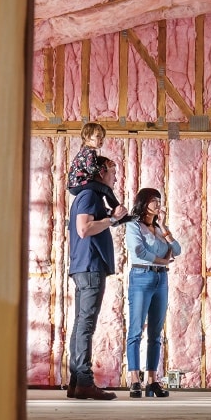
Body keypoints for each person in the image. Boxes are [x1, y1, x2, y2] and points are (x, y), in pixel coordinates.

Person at [66, 156, 128, 400]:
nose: (115, 177)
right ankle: (84, 382)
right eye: (113, 172)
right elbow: (84, 229)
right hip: (90, 267)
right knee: (86, 325)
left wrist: (112, 219)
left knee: (81, 323)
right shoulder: (90, 195)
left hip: (84, 266)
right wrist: (112, 219)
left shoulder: (86, 196)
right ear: (100, 172)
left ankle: (76, 382)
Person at [124, 188, 181, 398]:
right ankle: (134, 379)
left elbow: (178, 250)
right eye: (153, 201)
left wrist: (164, 227)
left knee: (155, 333)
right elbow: (139, 251)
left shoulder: (158, 229)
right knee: (136, 329)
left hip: (161, 279)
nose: (158, 204)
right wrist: (163, 260)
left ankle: (152, 380)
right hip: (141, 277)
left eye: (159, 200)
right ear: (143, 203)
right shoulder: (133, 225)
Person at [67, 122, 130, 224]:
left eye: (102, 137)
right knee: (106, 189)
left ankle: (113, 213)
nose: (101, 140)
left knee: (103, 192)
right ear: (87, 137)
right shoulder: (89, 151)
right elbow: (91, 169)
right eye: (98, 136)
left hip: (78, 184)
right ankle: (120, 213)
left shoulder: (85, 151)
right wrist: (105, 166)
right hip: (79, 184)